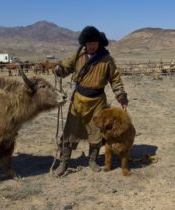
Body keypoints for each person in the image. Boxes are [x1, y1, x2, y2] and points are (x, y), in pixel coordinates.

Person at [53, 26, 129, 176]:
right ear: (84, 43)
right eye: (89, 43)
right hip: (78, 100)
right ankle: (64, 162)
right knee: (70, 131)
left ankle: (92, 161)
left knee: (96, 132)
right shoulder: (78, 54)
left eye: (95, 43)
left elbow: (115, 79)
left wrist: (121, 95)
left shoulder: (106, 59)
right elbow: (66, 67)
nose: (92, 46)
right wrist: (59, 70)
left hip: (97, 102)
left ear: (99, 43)